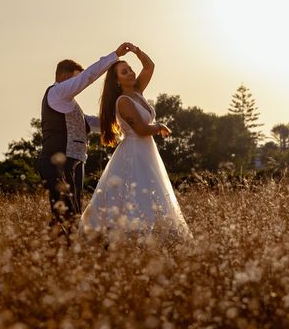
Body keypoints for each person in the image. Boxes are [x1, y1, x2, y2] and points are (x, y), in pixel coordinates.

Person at [78, 45, 192, 240]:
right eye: (124, 72)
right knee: (135, 193)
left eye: (130, 69)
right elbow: (140, 129)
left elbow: (149, 66)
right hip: (133, 151)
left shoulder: (137, 91)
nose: (130, 73)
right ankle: (128, 237)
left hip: (146, 151)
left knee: (152, 193)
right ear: (117, 80)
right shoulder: (123, 101)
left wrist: (136, 51)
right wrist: (159, 126)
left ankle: (154, 237)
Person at [38, 42, 133, 235]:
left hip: (75, 160)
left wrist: (124, 120)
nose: (78, 83)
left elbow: (87, 122)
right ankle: (56, 252)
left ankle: (64, 252)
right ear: (64, 77)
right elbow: (88, 77)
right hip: (59, 161)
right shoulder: (57, 93)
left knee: (72, 213)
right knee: (66, 214)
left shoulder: (68, 104)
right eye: (75, 78)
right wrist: (114, 56)